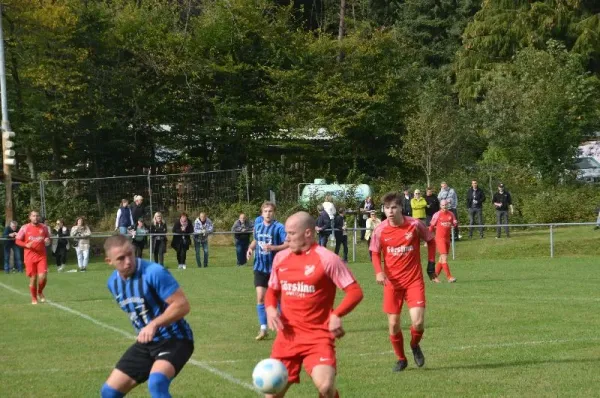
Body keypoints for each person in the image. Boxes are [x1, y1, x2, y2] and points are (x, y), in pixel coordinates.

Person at [264, 211, 363, 398]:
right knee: (272, 394)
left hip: (318, 337)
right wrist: (270, 308)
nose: (287, 237)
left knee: (326, 387)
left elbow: (355, 291)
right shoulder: (281, 258)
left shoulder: (327, 259)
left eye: (292, 233)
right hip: (287, 338)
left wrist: (336, 315)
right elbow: (272, 290)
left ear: (308, 233)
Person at [101, 234, 194, 398]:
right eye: (121, 258)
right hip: (146, 344)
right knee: (109, 392)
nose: (128, 261)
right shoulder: (112, 283)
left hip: (175, 339)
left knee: (157, 383)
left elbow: (182, 305)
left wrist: (154, 324)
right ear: (109, 261)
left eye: (130, 253)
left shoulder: (154, 272)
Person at [369, 192, 437, 372]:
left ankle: (414, 345)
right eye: (386, 208)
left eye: (393, 207)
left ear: (401, 208)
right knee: (393, 324)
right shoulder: (380, 230)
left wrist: (431, 264)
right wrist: (378, 272)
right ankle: (401, 358)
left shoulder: (415, 225)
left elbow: (431, 240)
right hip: (392, 283)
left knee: (418, 322)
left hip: (414, 280)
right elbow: (375, 253)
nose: (390, 211)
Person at [246, 201, 288, 341]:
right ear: (262, 213)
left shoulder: (279, 227)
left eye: (270, 211)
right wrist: (250, 248)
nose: (268, 213)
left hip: (276, 269)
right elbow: (256, 241)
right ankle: (263, 328)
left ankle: (284, 327)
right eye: (265, 211)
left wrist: (273, 248)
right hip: (260, 267)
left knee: (279, 299)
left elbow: (288, 244)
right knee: (260, 297)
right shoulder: (258, 226)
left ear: (274, 212)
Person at [15, 211, 51, 305]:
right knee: (33, 278)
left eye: (37, 216)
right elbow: (17, 240)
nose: (36, 217)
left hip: (41, 256)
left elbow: (47, 238)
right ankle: (34, 297)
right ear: (30, 217)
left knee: (43, 276)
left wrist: (47, 240)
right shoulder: (25, 227)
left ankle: (40, 292)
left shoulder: (44, 227)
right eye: (33, 216)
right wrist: (26, 244)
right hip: (29, 257)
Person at [429, 200, 458, 283]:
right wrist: (428, 238)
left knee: (441, 259)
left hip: (447, 239)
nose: (444, 206)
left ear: (448, 205)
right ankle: (449, 277)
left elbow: (454, 224)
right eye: (442, 205)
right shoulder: (437, 214)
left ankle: (434, 277)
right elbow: (431, 226)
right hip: (439, 239)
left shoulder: (451, 214)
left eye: (445, 205)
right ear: (440, 206)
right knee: (444, 257)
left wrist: (455, 223)